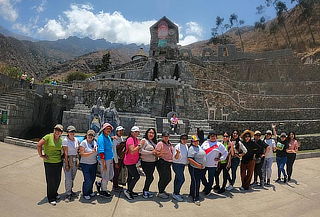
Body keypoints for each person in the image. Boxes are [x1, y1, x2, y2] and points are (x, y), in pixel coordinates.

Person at [37, 124, 64, 206]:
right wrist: (41, 155)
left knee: (57, 179)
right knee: (51, 181)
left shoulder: (60, 140)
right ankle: (51, 198)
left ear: (61, 133)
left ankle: (55, 193)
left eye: (59, 130)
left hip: (58, 162)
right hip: (49, 162)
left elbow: (62, 150)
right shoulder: (48, 137)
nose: (57, 132)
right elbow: (39, 145)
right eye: (56, 129)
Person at [96, 123, 114, 198]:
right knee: (105, 176)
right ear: (103, 129)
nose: (109, 130)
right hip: (104, 160)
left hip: (109, 159)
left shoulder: (108, 137)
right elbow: (101, 152)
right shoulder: (101, 138)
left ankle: (100, 183)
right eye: (107, 129)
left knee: (110, 175)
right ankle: (103, 191)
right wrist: (103, 164)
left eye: (110, 129)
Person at [123, 126, 142, 200]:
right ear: (131, 132)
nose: (136, 133)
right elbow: (132, 151)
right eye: (135, 132)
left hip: (133, 161)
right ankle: (128, 191)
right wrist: (139, 145)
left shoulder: (136, 139)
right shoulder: (130, 139)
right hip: (129, 161)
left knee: (130, 177)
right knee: (137, 176)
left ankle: (130, 190)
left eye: (137, 132)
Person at [187, 135, 206, 206]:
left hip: (199, 168)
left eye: (197, 141)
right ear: (192, 142)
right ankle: (196, 197)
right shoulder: (192, 148)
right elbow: (190, 158)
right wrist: (198, 165)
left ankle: (192, 194)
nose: (196, 142)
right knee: (196, 182)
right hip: (194, 168)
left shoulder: (198, 147)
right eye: (194, 141)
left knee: (194, 181)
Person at [79, 130, 98, 200]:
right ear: (86, 135)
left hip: (93, 163)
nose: (90, 136)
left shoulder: (94, 142)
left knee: (92, 179)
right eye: (89, 135)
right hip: (85, 164)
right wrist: (91, 152)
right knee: (88, 179)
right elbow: (82, 154)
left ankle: (90, 191)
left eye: (92, 135)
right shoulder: (83, 143)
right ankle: (85, 193)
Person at [62, 126, 80, 201]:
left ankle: (70, 190)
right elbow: (65, 153)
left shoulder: (76, 139)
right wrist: (66, 164)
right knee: (68, 178)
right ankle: (68, 194)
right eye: (70, 132)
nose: (72, 133)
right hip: (68, 159)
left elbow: (78, 150)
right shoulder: (65, 140)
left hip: (75, 160)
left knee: (72, 177)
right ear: (67, 133)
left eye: (73, 132)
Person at [140, 128, 158, 199]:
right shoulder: (144, 140)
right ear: (147, 133)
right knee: (150, 177)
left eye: (153, 133)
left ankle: (146, 190)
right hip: (146, 162)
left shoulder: (153, 142)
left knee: (149, 177)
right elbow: (140, 151)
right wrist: (151, 152)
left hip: (152, 163)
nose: (151, 134)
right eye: (150, 132)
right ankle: (145, 191)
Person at [155, 131, 173, 199]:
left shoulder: (169, 143)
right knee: (163, 178)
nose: (166, 138)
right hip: (162, 163)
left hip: (168, 163)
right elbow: (156, 152)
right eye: (165, 136)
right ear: (162, 137)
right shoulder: (160, 143)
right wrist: (160, 153)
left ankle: (162, 190)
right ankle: (160, 192)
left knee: (168, 178)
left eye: (167, 136)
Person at [172, 134, 189, 202]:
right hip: (177, 164)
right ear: (180, 139)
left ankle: (175, 192)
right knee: (182, 179)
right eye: (183, 139)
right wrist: (178, 153)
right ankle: (176, 194)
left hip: (182, 165)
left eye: (185, 139)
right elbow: (175, 157)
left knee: (177, 179)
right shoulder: (177, 146)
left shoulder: (186, 145)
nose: (184, 140)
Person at [112, 126, 125, 191]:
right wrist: (116, 162)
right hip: (116, 159)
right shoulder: (115, 139)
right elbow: (114, 151)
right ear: (117, 131)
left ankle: (116, 185)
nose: (121, 132)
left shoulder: (121, 138)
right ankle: (115, 186)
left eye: (122, 131)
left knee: (118, 172)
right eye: (120, 131)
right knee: (116, 173)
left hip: (121, 158)